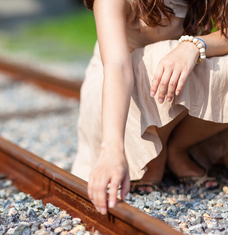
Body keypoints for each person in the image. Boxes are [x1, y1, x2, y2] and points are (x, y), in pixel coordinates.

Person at [71, 0, 228, 214]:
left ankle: (176, 148)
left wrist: (193, 46)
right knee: (164, 55)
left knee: (191, 57)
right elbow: (118, 68)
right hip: (117, 98)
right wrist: (112, 149)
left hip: (173, 83)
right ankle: (148, 154)